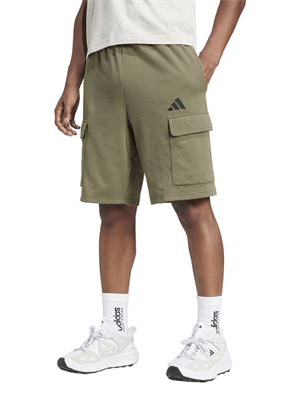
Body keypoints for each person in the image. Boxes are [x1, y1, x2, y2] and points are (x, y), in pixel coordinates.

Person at [54, 0, 245, 382]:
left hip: (165, 58)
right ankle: (115, 332)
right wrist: (73, 78)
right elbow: (88, 6)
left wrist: (210, 58)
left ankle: (211, 335)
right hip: (102, 66)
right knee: (113, 207)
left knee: (192, 203)